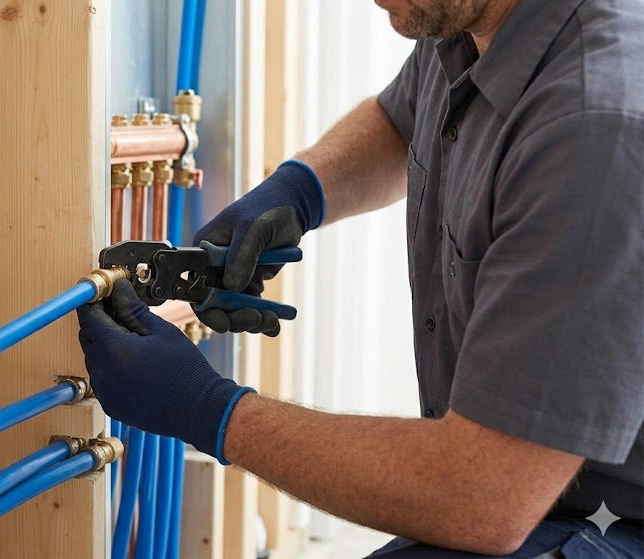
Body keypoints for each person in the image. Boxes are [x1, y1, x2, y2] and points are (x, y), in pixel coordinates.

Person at [77, 0, 644, 556]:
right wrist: (298, 191)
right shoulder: (466, 18)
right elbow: (404, 118)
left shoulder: (595, 126)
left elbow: (482, 496)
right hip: (535, 500)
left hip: (601, 517)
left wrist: (206, 408)